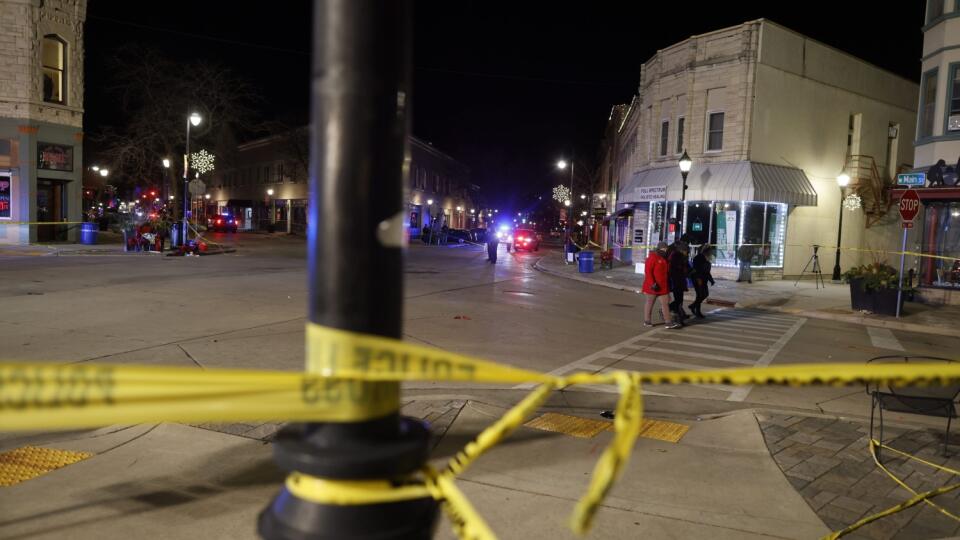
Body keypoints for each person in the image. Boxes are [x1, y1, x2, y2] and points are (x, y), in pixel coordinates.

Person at [642, 242, 680, 329]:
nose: (665, 251)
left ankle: (668, 322)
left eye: (666, 249)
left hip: (663, 286)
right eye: (663, 249)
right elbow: (648, 272)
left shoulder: (664, 258)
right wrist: (652, 283)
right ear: (659, 248)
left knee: (666, 303)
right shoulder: (652, 258)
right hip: (653, 286)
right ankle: (647, 321)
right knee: (650, 303)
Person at [667, 239, 690, 323]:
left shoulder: (683, 257)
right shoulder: (675, 256)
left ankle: (680, 315)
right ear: (682, 250)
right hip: (676, 281)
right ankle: (668, 309)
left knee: (680, 300)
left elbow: (686, 268)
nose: (687, 253)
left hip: (681, 281)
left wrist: (688, 271)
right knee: (678, 300)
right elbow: (674, 269)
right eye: (686, 251)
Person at [689, 245, 716, 318]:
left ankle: (693, 306)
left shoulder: (706, 258)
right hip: (698, 279)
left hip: (704, 279)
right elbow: (696, 270)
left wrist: (711, 280)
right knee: (700, 295)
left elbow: (707, 271)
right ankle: (697, 311)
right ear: (706, 251)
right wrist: (698, 279)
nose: (711, 252)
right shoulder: (698, 258)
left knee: (705, 294)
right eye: (710, 251)